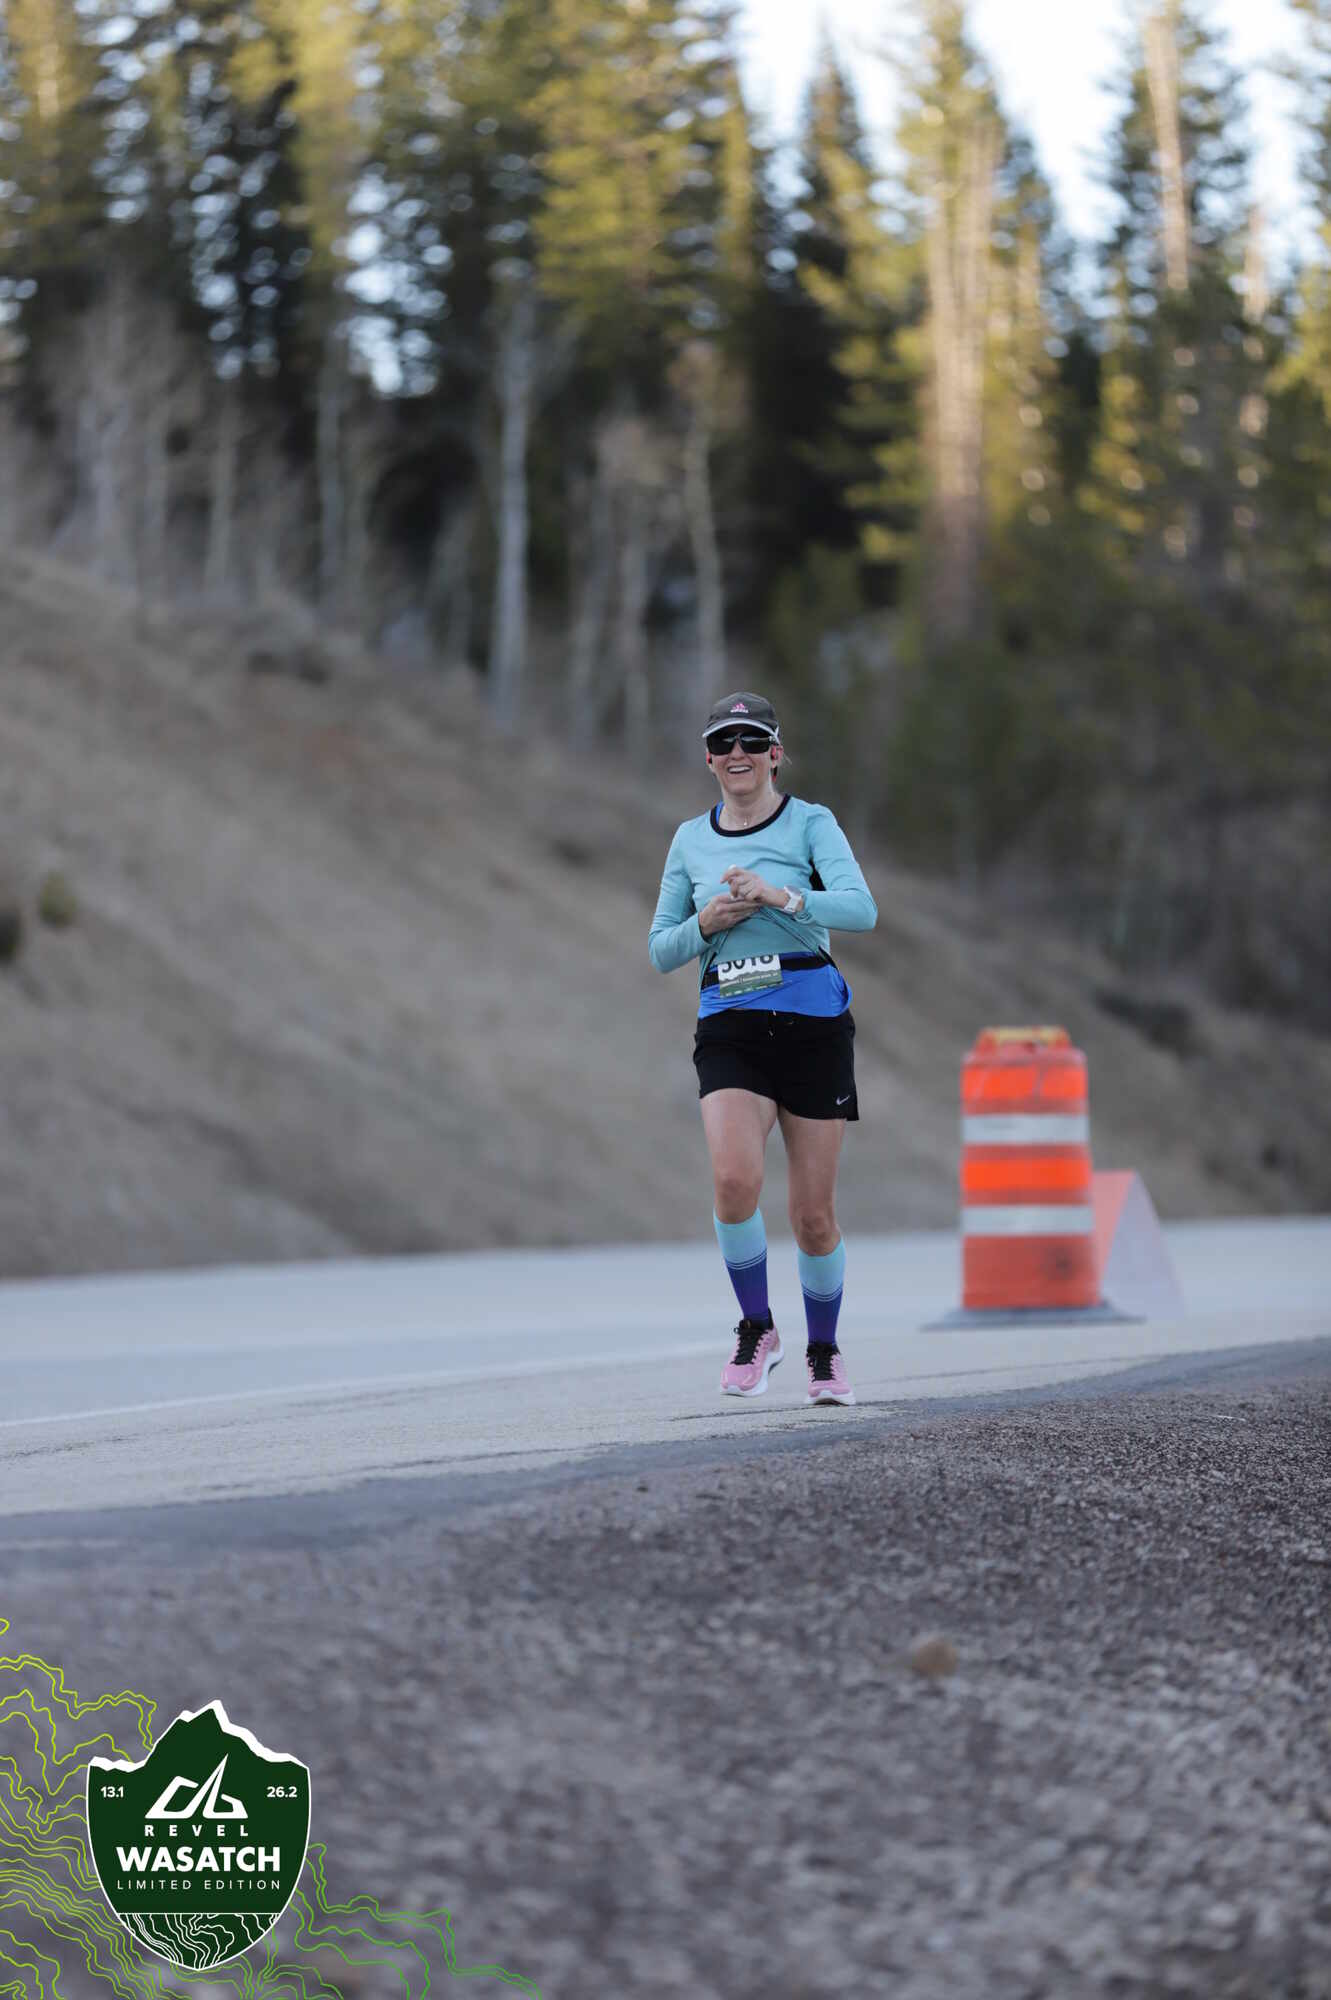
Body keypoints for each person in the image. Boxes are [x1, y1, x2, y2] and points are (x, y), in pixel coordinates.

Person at [648, 692, 878, 1406]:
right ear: (709, 759)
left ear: (775, 754)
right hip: (731, 1025)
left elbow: (861, 909)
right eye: (724, 743)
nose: (738, 753)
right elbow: (660, 949)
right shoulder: (690, 840)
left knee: (812, 1217)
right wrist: (706, 922)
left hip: (812, 1027)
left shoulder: (811, 823)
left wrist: (784, 896)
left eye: (751, 741)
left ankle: (823, 1352)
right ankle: (757, 1328)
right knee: (732, 1182)